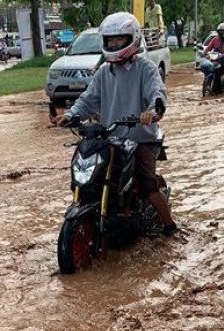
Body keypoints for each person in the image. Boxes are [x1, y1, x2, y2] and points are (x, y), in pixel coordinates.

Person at [52, 12, 177, 236]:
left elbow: (157, 93)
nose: (114, 44)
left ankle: (170, 225)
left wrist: (152, 111)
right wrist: (70, 115)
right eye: (110, 40)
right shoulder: (103, 73)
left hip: (140, 138)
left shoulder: (145, 69)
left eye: (119, 40)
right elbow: (88, 100)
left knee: (148, 185)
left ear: (132, 39)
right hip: (110, 138)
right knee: (86, 175)